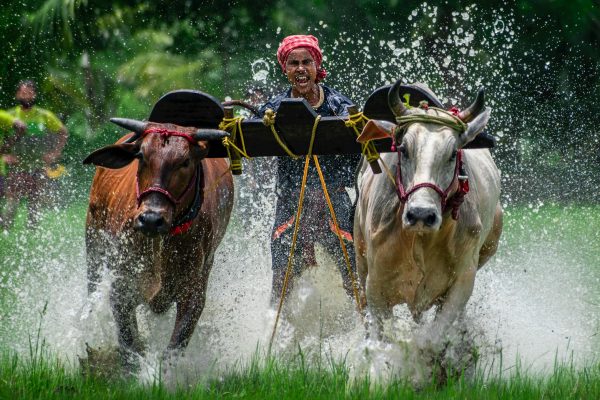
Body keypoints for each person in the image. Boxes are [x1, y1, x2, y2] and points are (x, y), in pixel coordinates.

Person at [257, 34, 361, 304]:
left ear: (317, 67)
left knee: (354, 273)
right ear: (285, 69)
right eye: (294, 63)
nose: (301, 68)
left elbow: (358, 132)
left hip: (332, 198)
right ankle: (274, 333)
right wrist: (262, 121)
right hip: (293, 199)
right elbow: (251, 127)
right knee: (280, 278)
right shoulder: (273, 108)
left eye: (307, 62)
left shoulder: (338, 104)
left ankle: (366, 326)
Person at [0, 80, 68, 229]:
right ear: (17, 94)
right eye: (24, 93)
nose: (27, 96)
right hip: (16, 166)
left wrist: (55, 153)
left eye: (30, 93)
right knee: (12, 200)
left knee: (35, 200)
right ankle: (5, 228)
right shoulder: (10, 115)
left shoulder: (44, 115)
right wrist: (3, 156)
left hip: (38, 166)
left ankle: (32, 229)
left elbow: (63, 132)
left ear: (35, 95)